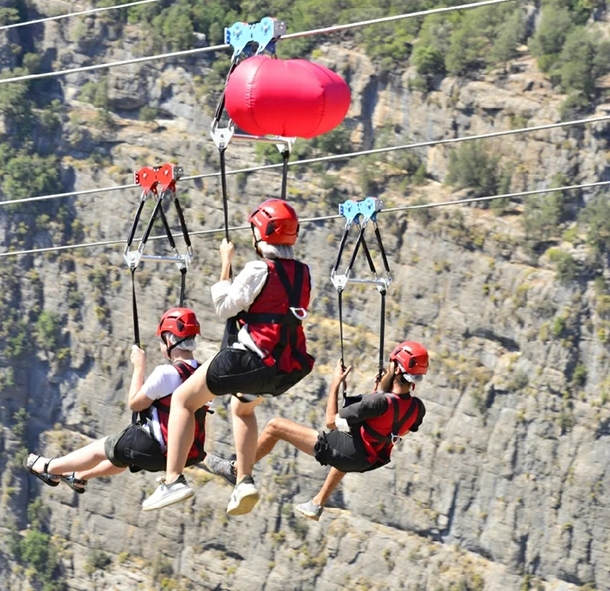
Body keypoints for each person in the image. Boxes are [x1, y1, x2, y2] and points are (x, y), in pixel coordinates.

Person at [142, 198, 314, 515]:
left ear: (259, 232)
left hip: (247, 359)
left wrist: (225, 263)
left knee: (182, 399)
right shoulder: (304, 274)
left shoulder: (258, 269)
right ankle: (244, 481)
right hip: (284, 367)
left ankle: (172, 480)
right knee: (242, 408)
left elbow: (224, 308)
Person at [206, 341, 429, 520]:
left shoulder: (378, 403)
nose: (388, 367)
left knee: (275, 426)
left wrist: (335, 383)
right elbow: (394, 425)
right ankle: (317, 503)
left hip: (353, 452)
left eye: (391, 364)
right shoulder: (418, 408)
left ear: (398, 368)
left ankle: (238, 470)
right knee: (346, 445)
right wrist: (379, 392)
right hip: (369, 459)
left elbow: (331, 421)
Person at [24, 308, 208, 490]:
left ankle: (49, 468)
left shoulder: (165, 373)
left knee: (101, 448)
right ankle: (79, 476)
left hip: (155, 450)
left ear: (168, 340)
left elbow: (135, 404)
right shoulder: (203, 375)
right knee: (121, 453)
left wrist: (139, 366)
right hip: (186, 455)